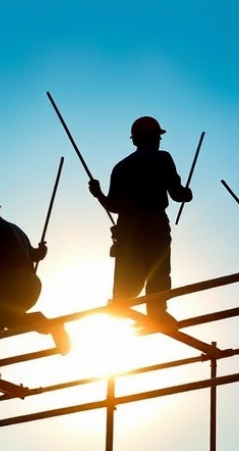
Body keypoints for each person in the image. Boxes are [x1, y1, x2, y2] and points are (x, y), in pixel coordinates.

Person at [88, 116, 193, 328]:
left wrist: (99, 195)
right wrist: (187, 193)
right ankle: (156, 312)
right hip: (154, 223)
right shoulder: (162, 158)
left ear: (134, 140)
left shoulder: (121, 167)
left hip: (128, 230)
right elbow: (177, 193)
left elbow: (115, 206)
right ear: (155, 138)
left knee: (128, 270)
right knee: (158, 269)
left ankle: (121, 303)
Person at [0, 193, 71, 379]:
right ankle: (51, 325)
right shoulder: (14, 229)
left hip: (14, 283)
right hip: (30, 284)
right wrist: (41, 251)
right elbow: (35, 255)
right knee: (8, 321)